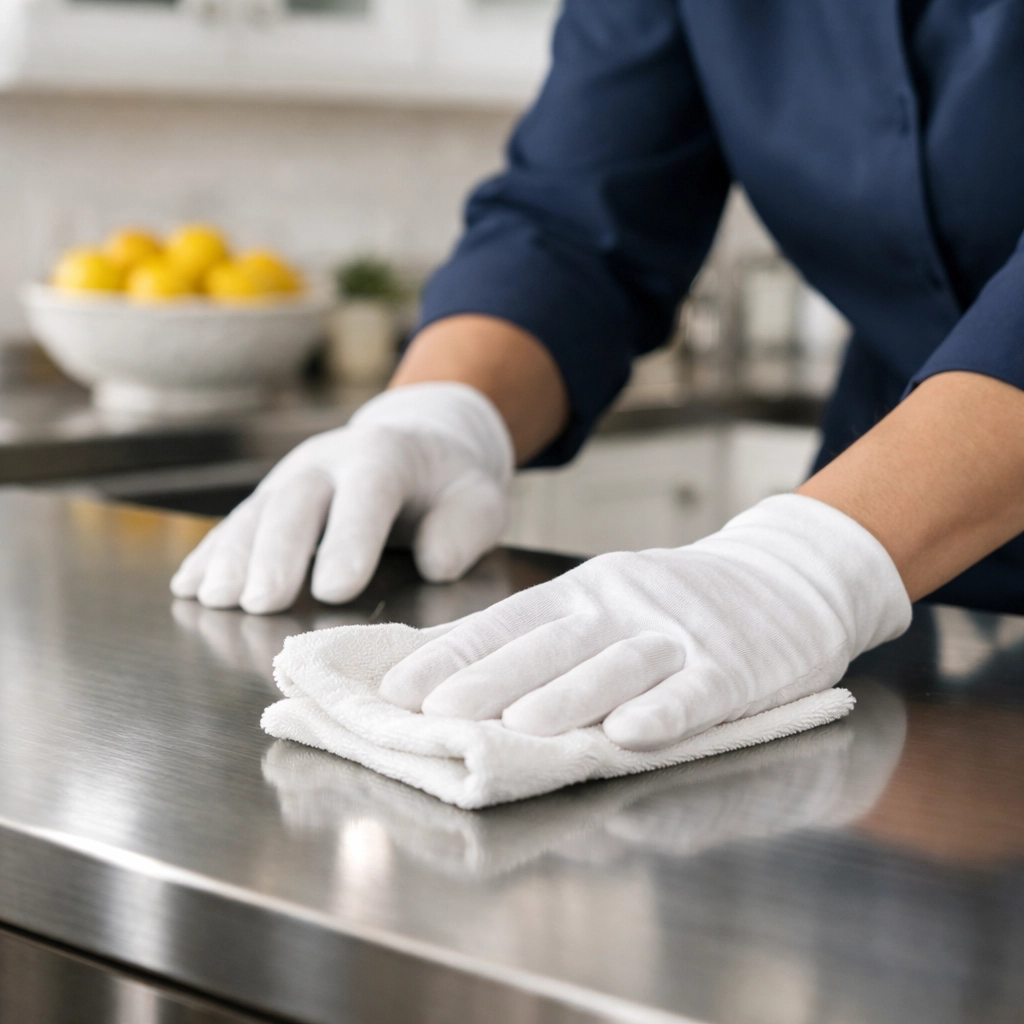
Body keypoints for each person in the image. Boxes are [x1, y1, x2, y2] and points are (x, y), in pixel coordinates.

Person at [172, 0, 1024, 751]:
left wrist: (809, 565)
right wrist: (443, 411)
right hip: (889, 597)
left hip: (866, 542)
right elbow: (578, 218)